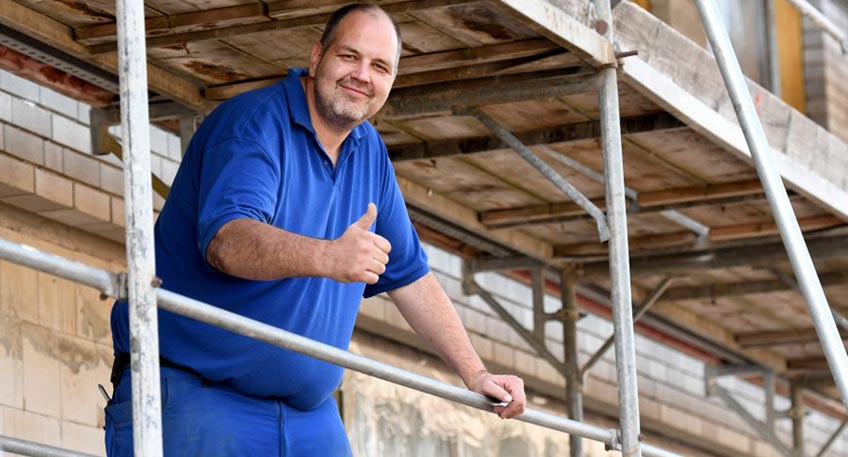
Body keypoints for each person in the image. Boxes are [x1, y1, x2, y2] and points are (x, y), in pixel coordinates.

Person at [105, 4, 526, 456]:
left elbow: (410, 276)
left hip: (308, 412)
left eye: (380, 66)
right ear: (316, 57)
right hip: (198, 391)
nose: (362, 75)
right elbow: (226, 242)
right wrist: (329, 257)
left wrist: (476, 373)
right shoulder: (254, 124)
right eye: (350, 56)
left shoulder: (369, 152)